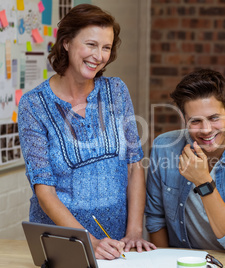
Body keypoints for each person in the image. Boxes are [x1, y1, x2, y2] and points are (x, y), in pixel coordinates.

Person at [18, 4, 156, 260]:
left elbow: (134, 165)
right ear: (67, 43)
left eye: (106, 47)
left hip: (118, 244)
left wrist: (135, 230)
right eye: (91, 45)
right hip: (61, 245)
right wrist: (88, 241)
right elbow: (44, 190)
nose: (99, 55)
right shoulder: (33, 104)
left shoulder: (116, 91)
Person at [145, 69, 225, 254]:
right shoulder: (164, 148)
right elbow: (156, 219)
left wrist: (202, 181)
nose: (206, 130)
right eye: (195, 121)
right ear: (183, 118)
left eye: (214, 118)